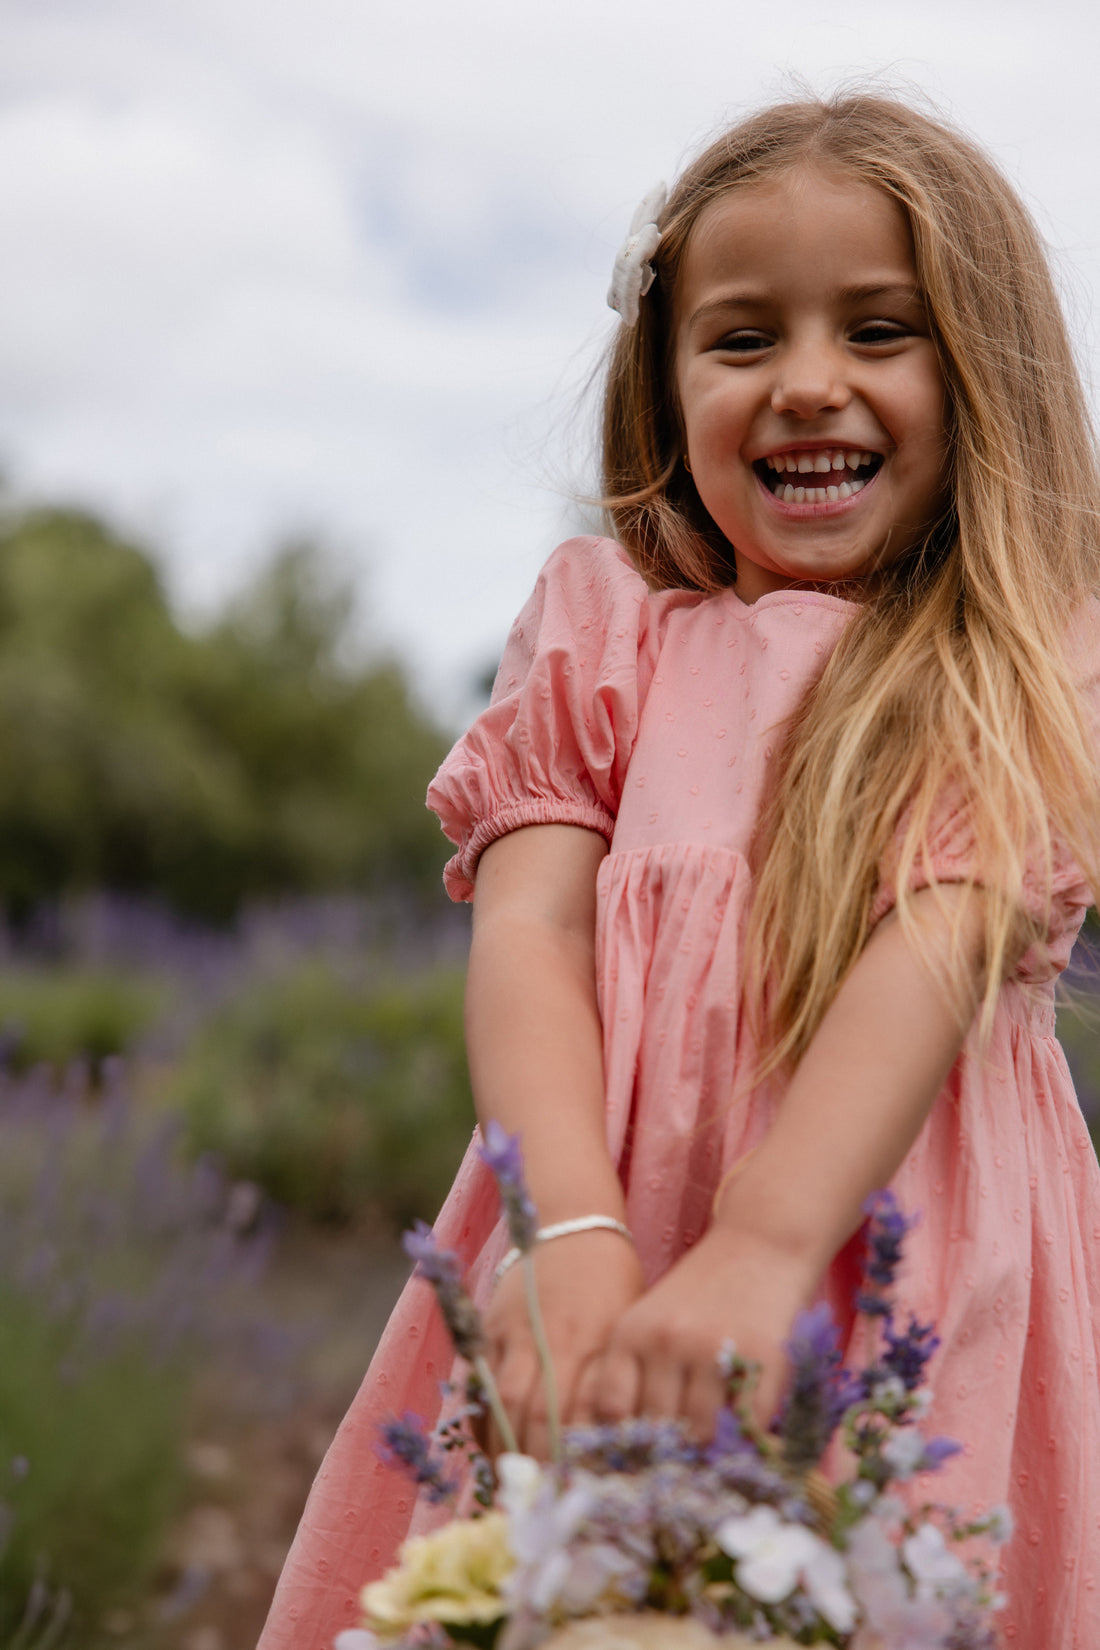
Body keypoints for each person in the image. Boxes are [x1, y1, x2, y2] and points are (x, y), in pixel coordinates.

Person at [258, 94, 1100, 1650]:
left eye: (878, 329)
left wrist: (768, 1244)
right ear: (666, 380)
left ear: (984, 370)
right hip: (600, 1247)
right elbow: (530, 931)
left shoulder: (1021, 659)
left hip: (888, 1286)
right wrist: (568, 1228)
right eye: (739, 338)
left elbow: (938, 942)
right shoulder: (608, 632)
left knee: (864, 1592)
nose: (805, 383)